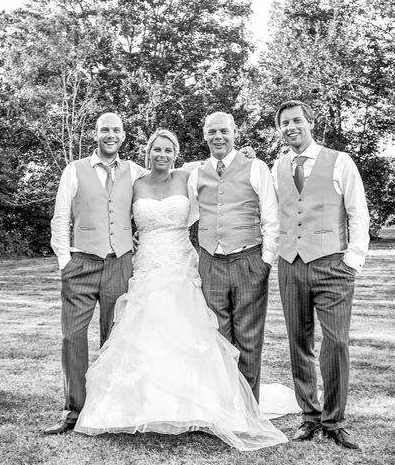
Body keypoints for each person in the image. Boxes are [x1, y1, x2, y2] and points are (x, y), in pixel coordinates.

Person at [74, 129, 288, 451]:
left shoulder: (189, 175)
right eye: (156, 149)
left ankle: (197, 406)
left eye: (168, 149)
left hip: (180, 263)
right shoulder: (134, 181)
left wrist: (246, 155)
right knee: (143, 332)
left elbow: (219, 169)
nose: (162, 154)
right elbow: (113, 212)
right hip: (146, 264)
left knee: (186, 333)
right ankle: (139, 407)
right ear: (148, 153)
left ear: (176, 153)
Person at [271, 100, 369, 449]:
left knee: (337, 342)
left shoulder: (340, 161)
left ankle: (335, 420)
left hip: (332, 264)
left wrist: (352, 260)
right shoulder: (278, 166)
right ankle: (309, 416)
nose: (290, 127)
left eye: (296, 120)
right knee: (299, 342)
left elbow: (359, 213)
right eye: (284, 123)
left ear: (310, 122)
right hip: (290, 263)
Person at [44, 112, 148, 435]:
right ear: (96, 134)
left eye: (116, 130)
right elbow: (60, 217)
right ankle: (74, 410)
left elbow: (170, 173)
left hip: (120, 263)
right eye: (105, 129)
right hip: (82, 263)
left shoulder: (134, 172)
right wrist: (65, 260)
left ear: (124, 135)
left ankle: (109, 409)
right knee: (72, 336)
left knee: (114, 338)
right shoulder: (74, 171)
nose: (111, 135)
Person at [187, 112, 279, 402]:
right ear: (205, 135)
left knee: (249, 338)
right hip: (210, 262)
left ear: (234, 132)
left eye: (224, 131)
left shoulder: (256, 167)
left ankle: (249, 406)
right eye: (212, 131)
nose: (218, 137)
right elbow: (186, 216)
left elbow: (271, 217)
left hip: (248, 259)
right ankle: (224, 405)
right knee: (218, 338)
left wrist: (265, 261)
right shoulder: (195, 173)